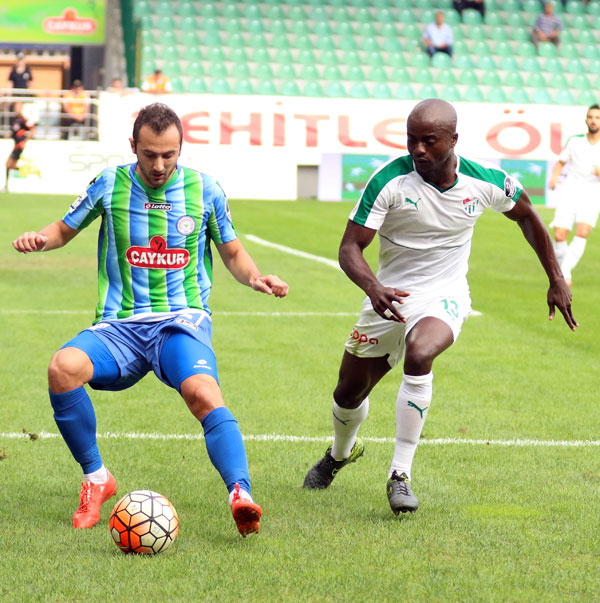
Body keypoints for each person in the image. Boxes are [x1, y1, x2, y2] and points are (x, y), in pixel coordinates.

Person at [12, 102, 289, 537]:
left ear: (181, 148)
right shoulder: (110, 184)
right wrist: (39, 239)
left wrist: (255, 278)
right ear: (133, 146)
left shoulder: (205, 190)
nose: (159, 165)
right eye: (149, 155)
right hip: (120, 326)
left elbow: (232, 252)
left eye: (169, 155)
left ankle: (240, 493)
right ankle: (96, 478)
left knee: (202, 392)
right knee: (63, 369)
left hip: (180, 321)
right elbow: (64, 229)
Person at [302, 99, 576, 516]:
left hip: (444, 293)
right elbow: (349, 247)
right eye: (411, 139)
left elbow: (527, 215)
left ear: (453, 140)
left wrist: (556, 278)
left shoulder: (485, 180)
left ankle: (400, 474)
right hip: (388, 294)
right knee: (347, 393)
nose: (418, 149)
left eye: (429, 141)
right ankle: (340, 454)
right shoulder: (389, 180)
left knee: (420, 353)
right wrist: (374, 287)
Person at [548, 104, 600, 287]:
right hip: (570, 190)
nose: (593, 120)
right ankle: (565, 272)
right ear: (586, 120)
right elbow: (561, 163)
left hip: (593, 192)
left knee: (583, 231)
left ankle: (563, 273)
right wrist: (554, 177)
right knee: (559, 235)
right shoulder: (575, 141)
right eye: (591, 117)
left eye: (597, 117)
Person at [4, 102, 35, 192]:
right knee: (10, 165)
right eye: (16, 106)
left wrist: (25, 141)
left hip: (19, 146)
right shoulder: (15, 119)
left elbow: (32, 130)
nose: (17, 108)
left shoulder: (23, 119)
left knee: (8, 165)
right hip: (16, 145)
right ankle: (7, 185)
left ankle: (29, 171)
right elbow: (15, 132)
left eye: (19, 107)